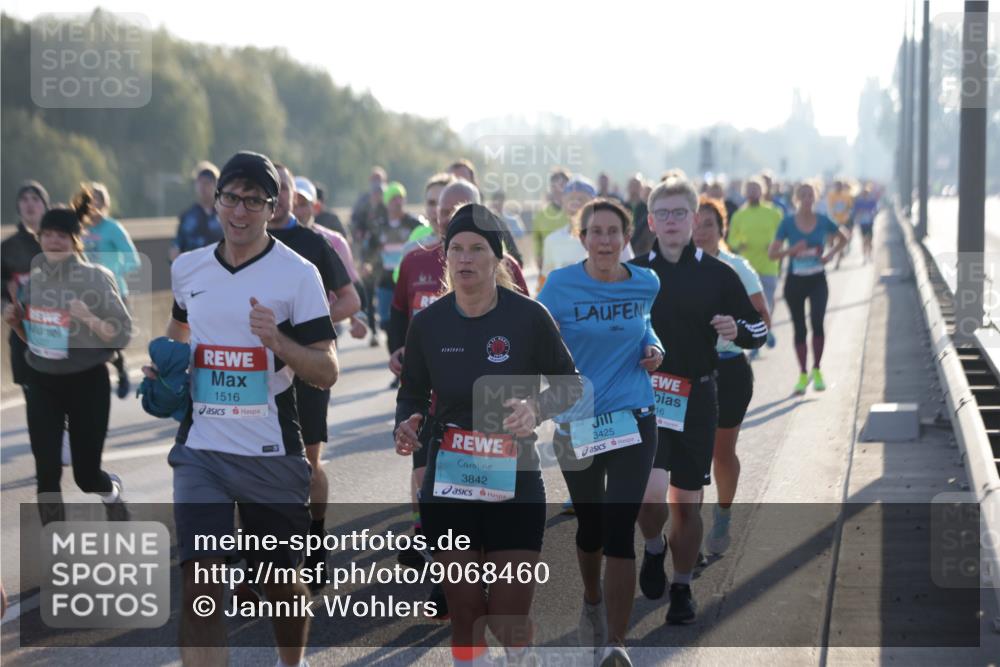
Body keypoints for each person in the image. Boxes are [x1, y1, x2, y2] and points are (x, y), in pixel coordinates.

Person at [154, 151, 338, 667]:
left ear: (271, 205)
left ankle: (291, 663)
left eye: (253, 200)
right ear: (216, 201)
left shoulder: (297, 274)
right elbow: (180, 333)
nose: (240, 211)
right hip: (202, 452)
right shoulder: (188, 269)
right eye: (231, 198)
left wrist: (277, 340)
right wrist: (167, 368)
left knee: (282, 585)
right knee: (201, 584)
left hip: (270, 450)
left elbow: (326, 369)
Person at [394, 203, 582, 666]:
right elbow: (412, 391)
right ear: (446, 257)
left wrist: (536, 408)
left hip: (514, 475)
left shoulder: (528, 318)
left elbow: (571, 385)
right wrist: (408, 422)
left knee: (507, 616)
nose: (465, 258)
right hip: (450, 475)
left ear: (497, 259)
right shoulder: (429, 324)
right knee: (463, 609)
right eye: (456, 248)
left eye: (478, 249)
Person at [630, 176, 767, 625]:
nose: (671, 222)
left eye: (680, 213)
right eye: (663, 214)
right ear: (651, 220)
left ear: (694, 220)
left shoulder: (718, 273)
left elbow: (760, 328)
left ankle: (683, 586)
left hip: (697, 395)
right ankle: (654, 547)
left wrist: (737, 330)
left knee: (685, 504)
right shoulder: (633, 275)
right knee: (649, 499)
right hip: (646, 398)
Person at [388, 179, 529, 601]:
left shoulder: (510, 274)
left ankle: (475, 573)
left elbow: (532, 347)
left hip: (491, 421)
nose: (446, 214)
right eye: (439, 206)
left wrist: (531, 404)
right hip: (435, 412)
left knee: (483, 504)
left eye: (459, 207)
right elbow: (399, 315)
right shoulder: (414, 261)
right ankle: (442, 570)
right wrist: (399, 351)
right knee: (426, 481)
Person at [537, 198, 663, 666]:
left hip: (634, 416)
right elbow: (537, 336)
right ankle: (591, 597)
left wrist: (655, 348)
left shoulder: (647, 281)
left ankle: (616, 643)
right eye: (596, 231)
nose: (606, 240)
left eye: (614, 231)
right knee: (590, 528)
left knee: (618, 528)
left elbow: (646, 328)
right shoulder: (559, 285)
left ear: (626, 237)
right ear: (582, 236)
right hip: (578, 424)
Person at [2, 187, 132, 525]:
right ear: (40, 238)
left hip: (87, 381)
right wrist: (17, 323)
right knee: (46, 473)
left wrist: (87, 317)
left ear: (75, 240)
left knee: (86, 477)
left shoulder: (96, 278)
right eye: (47, 235)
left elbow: (122, 333)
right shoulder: (35, 281)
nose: (54, 242)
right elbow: (32, 338)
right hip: (42, 381)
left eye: (61, 235)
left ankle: (111, 493)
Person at [270, 165, 360, 583]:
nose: (279, 196)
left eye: (285, 188)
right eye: (271, 189)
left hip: (308, 364)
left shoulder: (313, 243)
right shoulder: (241, 242)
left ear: (293, 194)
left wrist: (308, 331)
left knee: (307, 462)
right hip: (256, 372)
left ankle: (316, 538)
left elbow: (350, 300)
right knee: (254, 463)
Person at [692, 197, 771, 555]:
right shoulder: (673, 269)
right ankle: (686, 534)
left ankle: (723, 514)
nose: (700, 231)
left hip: (729, 370)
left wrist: (734, 328)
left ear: (721, 229)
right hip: (686, 373)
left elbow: (762, 322)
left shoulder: (738, 268)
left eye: (707, 224)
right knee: (687, 457)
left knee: (721, 454)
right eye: (694, 223)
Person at [769, 181, 848, 395]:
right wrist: (791, 250)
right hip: (795, 282)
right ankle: (803, 374)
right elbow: (772, 253)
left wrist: (830, 255)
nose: (806, 199)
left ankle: (818, 369)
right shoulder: (787, 223)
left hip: (817, 280)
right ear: (797, 198)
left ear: (815, 197)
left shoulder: (823, 220)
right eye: (802, 195)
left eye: (809, 195)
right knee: (800, 329)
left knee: (818, 323)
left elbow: (844, 237)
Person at [83, 182, 141, 398]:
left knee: (112, 340)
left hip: (112, 291)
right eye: (88, 200)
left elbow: (133, 259)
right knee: (89, 341)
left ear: (104, 203)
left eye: (96, 199)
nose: (92, 204)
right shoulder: (80, 228)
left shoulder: (113, 228)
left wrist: (113, 273)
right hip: (85, 293)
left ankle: (120, 368)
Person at [293, 176, 368, 340]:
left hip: (325, 324)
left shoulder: (334, 241)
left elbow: (352, 285)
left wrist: (359, 317)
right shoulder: (271, 241)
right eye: (294, 205)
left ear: (316, 207)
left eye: (303, 205)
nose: (297, 212)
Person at [540, 177, 633, 290]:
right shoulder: (552, 240)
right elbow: (545, 281)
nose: (576, 204)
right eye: (571, 199)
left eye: (581, 199)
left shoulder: (612, 237)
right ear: (563, 203)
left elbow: (630, 274)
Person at [2, 181, 47, 400]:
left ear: (45, 206)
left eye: (35, 199)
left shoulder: (58, 242)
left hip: (60, 331)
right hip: (24, 333)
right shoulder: (8, 247)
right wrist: (8, 307)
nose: (29, 204)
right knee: (36, 404)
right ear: (18, 207)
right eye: (24, 199)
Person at [727, 177, 782, 351]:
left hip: (769, 264)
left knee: (767, 304)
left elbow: (782, 236)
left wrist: (774, 245)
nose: (752, 192)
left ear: (763, 191)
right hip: (747, 266)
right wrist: (738, 244)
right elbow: (731, 238)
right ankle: (757, 337)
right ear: (745, 192)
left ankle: (766, 329)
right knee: (751, 305)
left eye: (756, 188)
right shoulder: (739, 215)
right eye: (749, 189)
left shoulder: (773, 212)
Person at [364, 182, 421, 346]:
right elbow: (370, 250)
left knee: (410, 321)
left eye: (400, 198)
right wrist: (367, 264)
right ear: (387, 202)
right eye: (394, 198)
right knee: (387, 324)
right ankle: (396, 357)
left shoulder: (414, 224)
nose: (398, 202)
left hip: (409, 280)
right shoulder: (379, 226)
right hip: (385, 281)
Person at [447, 159, 523, 267]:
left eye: (463, 181)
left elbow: (517, 263)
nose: (457, 187)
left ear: (474, 184)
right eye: (451, 182)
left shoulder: (494, 223)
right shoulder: (439, 224)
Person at [172, 162, 223, 261]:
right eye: (200, 182)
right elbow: (176, 248)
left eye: (208, 182)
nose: (203, 186)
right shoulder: (187, 216)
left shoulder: (225, 214)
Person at [531, 168, 571, 274]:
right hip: (549, 269)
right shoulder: (541, 215)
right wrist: (538, 256)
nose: (558, 189)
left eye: (562, 185)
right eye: (555, 186)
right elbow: (537, 239)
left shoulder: (577, 214)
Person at [625, 174, 653, 256]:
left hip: (642, 251)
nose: (634, 189)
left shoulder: (647, 209)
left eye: (636, 185)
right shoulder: (621, 207)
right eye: (632, 185)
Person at [852, 182, 879, 263]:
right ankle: (864, 257)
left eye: (866, 193)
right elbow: (855, 212)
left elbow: (875, 211)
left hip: (870, 223)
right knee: (863, 240)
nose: (865, 195)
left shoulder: (871, 202)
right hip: (862, 223)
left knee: (870, 240)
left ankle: (870, 255)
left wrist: (872, 214)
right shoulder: (858, 202)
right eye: (863, 193)